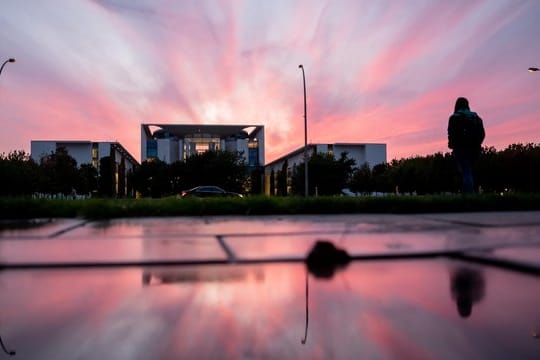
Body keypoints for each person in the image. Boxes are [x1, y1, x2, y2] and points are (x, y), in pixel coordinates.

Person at [448, 97, 485, 193]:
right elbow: (482, 133)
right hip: (475, 149)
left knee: (465, 170)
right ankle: (472, 192)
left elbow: (451, 134)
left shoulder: (454, 117)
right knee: (469, 170)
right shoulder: (476, 117)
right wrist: (478, 143)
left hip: (461, 149)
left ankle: (468, 194)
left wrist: (453, 145)